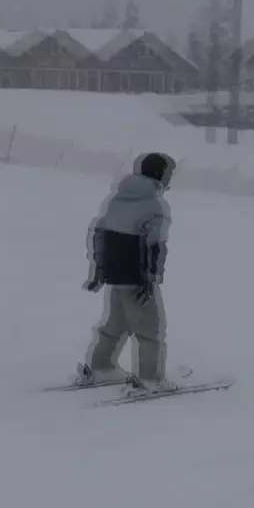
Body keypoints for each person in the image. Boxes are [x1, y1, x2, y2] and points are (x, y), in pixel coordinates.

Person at [78, 152, 176, 392]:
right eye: (169, 173)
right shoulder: (155, 205)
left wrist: (100, 271)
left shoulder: (117, 198)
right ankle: (151, 379)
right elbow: (155, 246)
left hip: (114, 272)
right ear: (161, 174)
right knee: (150, 329)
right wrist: (150, 278)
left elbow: (100, 234)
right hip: (136, 276)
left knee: (116, 323)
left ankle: (101, 367)